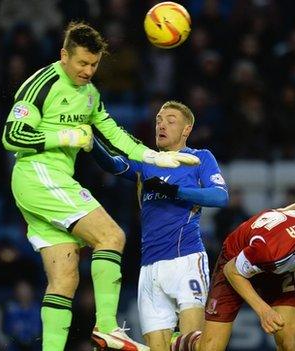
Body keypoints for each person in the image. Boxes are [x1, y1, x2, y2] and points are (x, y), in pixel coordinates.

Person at [1, 21, 199, 351]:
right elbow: (11, 136)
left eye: (93, 64)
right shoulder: (41, 84)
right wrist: (63, 136)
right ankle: (107, 328)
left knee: (64, 278)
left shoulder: (90, 95)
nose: (88, 70)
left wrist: (155, 157)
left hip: (51, 184)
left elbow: (114, 134)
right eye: (81, 63)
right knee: (112, 236)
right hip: (37, 176)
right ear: (64, 55)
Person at [90, 100, 229, 351]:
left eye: (170, 120)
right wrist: (91, 142)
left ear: (186, 129)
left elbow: (220, 196)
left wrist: (174, 190)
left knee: (193, 342)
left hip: (185, 259)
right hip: (149, 269)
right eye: (158, 120)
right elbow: (113, 164)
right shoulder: (146, 161)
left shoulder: (199, 158)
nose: (161, 125)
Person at [170, 199, 295, 351]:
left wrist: (283, 214)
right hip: (237, 259)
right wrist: (264, 311)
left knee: (289, 342)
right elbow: (232, 270)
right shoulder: (270, 249)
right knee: (210, 348)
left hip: (282, 266)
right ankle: (177, 342)